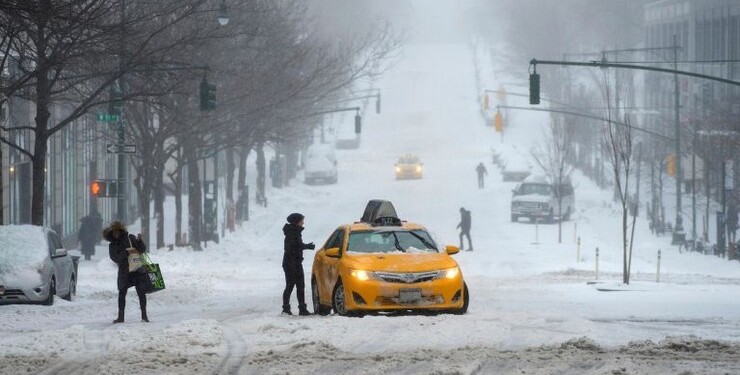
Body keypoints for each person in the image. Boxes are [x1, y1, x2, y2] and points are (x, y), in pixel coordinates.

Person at [104, 221, 149, 323]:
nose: (116, 234)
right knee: (122, 293)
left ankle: (144, 315)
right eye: (114, 232)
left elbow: (142, 249)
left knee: (141, 292)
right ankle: (121, 316)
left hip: (137, 269)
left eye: (117, 231)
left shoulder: (130, 238)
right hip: (124, 272)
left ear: (121, 231)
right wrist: (126, 252)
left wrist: (140, 241)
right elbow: (116, 258)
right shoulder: (112, 245)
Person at [282, 213, 315, 316]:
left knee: (298, 286)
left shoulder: (293, 231)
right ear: (297, 222)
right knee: (292, 286)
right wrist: (306, 246)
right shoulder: (293, 232)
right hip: (292, 263)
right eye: (301, 221)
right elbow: (293, 247)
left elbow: (296, 245)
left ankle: (300, 308)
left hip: (293, 262)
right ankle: (288, 309)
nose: (303, 222)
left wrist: (305, 246)